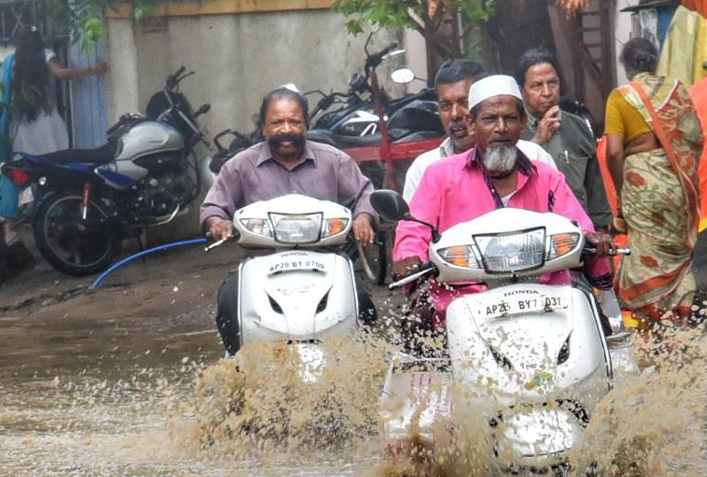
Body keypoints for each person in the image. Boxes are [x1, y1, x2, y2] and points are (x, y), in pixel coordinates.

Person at [393, 75, 613, 329]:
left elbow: (578, 227)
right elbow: (414, 228)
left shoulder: (548, 178)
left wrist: (593, 241)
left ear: (522, 124)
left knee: (598, 329)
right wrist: (409, 256)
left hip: (548, 302)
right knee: (416, 338)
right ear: (472, 125)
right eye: (489, 119)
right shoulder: (439, 176)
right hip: (461, 305)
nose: (501, 128)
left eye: (509, 118)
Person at [200, 86, 379, 354]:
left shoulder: (335, 161)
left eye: (294, 121)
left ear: (306, 124)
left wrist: (363, 219)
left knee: (362, 301)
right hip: (261, 266)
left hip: (327, 263)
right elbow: (213, 205)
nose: (286, 129)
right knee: (229, 302)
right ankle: (239, 369)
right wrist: (218, 223)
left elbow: (365, 194)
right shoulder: (239, 166)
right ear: (263, 127)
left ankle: (358, 363)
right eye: (277, 122)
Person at [603, 38, 704, 325]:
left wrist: (622, 193)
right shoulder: (677, 90)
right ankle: (683, 313)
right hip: (676, 182)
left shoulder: (621, 96)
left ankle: (657, 319)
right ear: (655, 61)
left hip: (642, 184)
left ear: (626, 66)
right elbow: (694, 138)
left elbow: (613, 150)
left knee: (645, 252)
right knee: (676, 253)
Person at [1, 25, 108, 263]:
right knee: (57, 172)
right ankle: (57, 216)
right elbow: (61, 74)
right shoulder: (45, 54)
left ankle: (11, 227)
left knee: (24, 175)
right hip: (47, 125)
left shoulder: (11, 62)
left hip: (22, 128)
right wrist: (92, 70)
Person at [403, 58, 555, 202]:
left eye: (465, 102)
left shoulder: (534, 157)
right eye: (446, 106)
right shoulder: (424, 169)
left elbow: (567, 222)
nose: (455, 114)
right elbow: (414, 227)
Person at [516, 47, 612, 230]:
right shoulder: (513, 130)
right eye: (537, 86)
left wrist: (601, 232)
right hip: (532, 234)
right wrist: (537, 141)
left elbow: (595, 190)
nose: (547, 92)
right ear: (522, 91)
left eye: (553, 83)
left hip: (578, 231)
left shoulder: (578, 127)